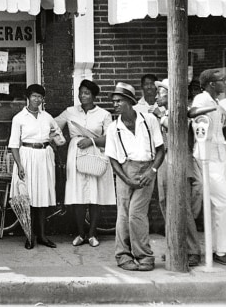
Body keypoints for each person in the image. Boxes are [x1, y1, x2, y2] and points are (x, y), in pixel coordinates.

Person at [104, 82, 164, 272]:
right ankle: (123, 255)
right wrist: (126, 179)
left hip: (147, 169)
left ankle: (144, 256)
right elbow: (112, 159)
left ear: (130, 102)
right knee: (123, 215)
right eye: (114, 101)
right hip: (125, 170)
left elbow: (161, 150)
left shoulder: (149, 120)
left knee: (136, 214)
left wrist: (152, 171)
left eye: (119, 101)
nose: (115, 105)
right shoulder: (114, 128)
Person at [54, 79, 115, 248]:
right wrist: (58, 141)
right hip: (76, 154)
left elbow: (110, 137)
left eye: (87, 93)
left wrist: (91, 141)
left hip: (96, 154)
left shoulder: (103, 114)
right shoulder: (70, 112)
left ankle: (92, 234)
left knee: (95, 194)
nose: (83, 96)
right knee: (78, 194)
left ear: (94, 96)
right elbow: (53, 125)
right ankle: (80, 234)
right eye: (81, 93)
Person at [153, 78, 202, 267]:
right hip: (164, 161)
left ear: (171, 94)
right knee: (166, 203)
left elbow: (180, 131)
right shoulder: (162, 113)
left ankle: (192, 250)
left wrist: (161, 117)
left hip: (181, 162)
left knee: (182, 207)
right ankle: (175, 246)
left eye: (161, 93)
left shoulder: (184, 111)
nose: (157, 96)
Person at [187, 69, 226, 267]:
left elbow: (221, 130)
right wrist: (216, 110)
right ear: (212, 84)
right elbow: (191, 113)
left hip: (219, 155)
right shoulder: (202, 98)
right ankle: (224, 250)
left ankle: (216, 250)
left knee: (217, 205)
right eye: (222, 80)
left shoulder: (216, 102)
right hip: (206, 158)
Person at [9, 84, 63, 250]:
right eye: (34, 96)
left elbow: (58, 134)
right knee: (28, 198)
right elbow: (13, 144)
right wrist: (19, 165)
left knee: (42, 197)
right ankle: (29, 236)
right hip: (27, 157)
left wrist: (54, 139)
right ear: (28, 97)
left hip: (44, 157)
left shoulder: (46, 117)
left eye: (40, 97)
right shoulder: (19, 118)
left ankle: (42, 236)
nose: (37, 99)